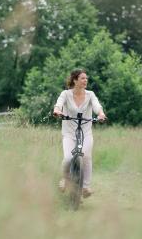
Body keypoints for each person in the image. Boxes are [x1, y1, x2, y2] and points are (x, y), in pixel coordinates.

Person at [53, 69, 106, 198]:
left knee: (86, 156)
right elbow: (58, 104)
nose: (85, 80)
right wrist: (57, 111)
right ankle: (65, 179)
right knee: (68, 158)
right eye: (82, 78)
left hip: (86, 132)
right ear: (75, 80)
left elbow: (96, 106)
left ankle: (86, 187)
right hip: (69, 132)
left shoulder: (90, 94)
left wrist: (100, 114)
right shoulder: (65, 94)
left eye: (86, 78)